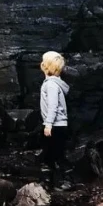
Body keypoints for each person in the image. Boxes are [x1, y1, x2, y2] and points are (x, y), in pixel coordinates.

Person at [40, 50, 70, 191]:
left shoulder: (50, 85)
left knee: (54, 154)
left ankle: (62, 182)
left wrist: (48, 124)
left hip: (54, 125)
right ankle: (52, 183)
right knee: (54, 153)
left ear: (45, 66)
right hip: (59, 125)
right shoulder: (55, 83)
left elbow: (53, 106)